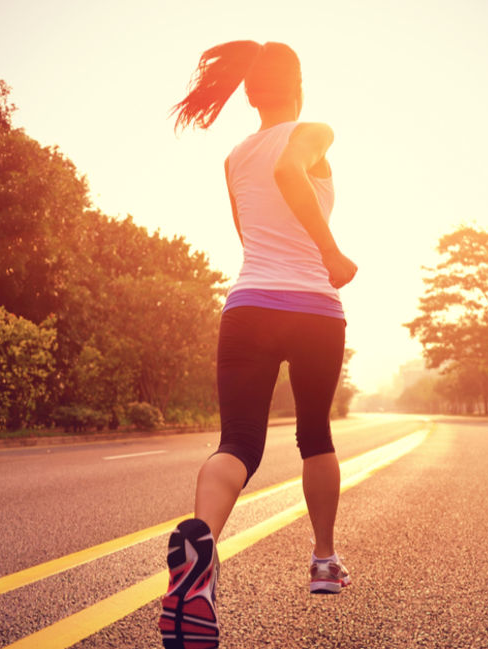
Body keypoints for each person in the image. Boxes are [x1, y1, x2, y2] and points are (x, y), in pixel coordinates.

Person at [158, 40, 357, 649]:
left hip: (248, 305)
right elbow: (287, 171)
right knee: (314, 433)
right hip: (314, 306)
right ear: (298, 86)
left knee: (238, 441)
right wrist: (328, 251)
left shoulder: (234, 156)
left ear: (249, 94)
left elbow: (248, 234)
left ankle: (201, 555)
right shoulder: (313, 130)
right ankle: (323, 561)